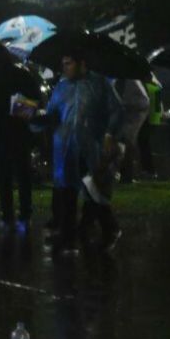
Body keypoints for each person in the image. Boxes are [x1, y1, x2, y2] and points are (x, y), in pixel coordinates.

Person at [37, 49, 123, 256]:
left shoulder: (100, 84)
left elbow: (117, 110)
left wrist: (110, 134)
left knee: (94, 192)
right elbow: (52, 115)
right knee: (66, 193)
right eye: (63, 64)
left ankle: (108, 228)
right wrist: (33, 117)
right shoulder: (61, 87)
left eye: (69, 63)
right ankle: (68, 238)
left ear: (81, 63)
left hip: (90, 147)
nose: (64, 68)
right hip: (64, 147)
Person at [0, 45, 42, 235]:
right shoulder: (18, 75)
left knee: (8, 178)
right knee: (18, 176)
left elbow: (34, 102)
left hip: (9, 134)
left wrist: (15, 108)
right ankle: (22, 217)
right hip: (16, 134)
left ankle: (12, 217)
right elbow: (37, 101)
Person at [116, 77, 150, 184]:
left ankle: (126, 177)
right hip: (129, 113)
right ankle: (124, 175)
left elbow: (139, 102)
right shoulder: (126, 80)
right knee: (127, 144)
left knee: (128, 144)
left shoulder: (129, 81)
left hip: (132, 115)